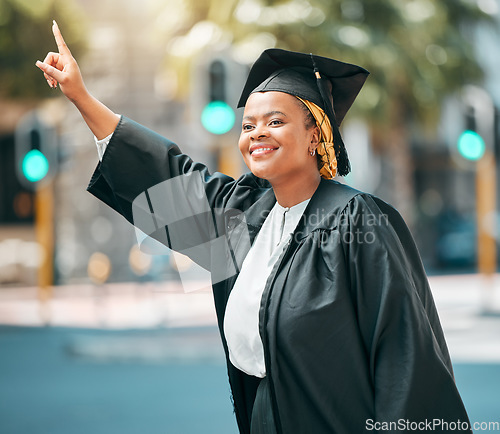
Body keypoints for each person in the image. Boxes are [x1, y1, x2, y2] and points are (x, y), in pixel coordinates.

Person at [37, 21, 472, 434]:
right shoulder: (243, 216)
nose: (256, 134)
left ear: (315, 136)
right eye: (248, 125)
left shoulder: (360, 221)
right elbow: (167, 176)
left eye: (275, 121)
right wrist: (81, 96)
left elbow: (404, 353)